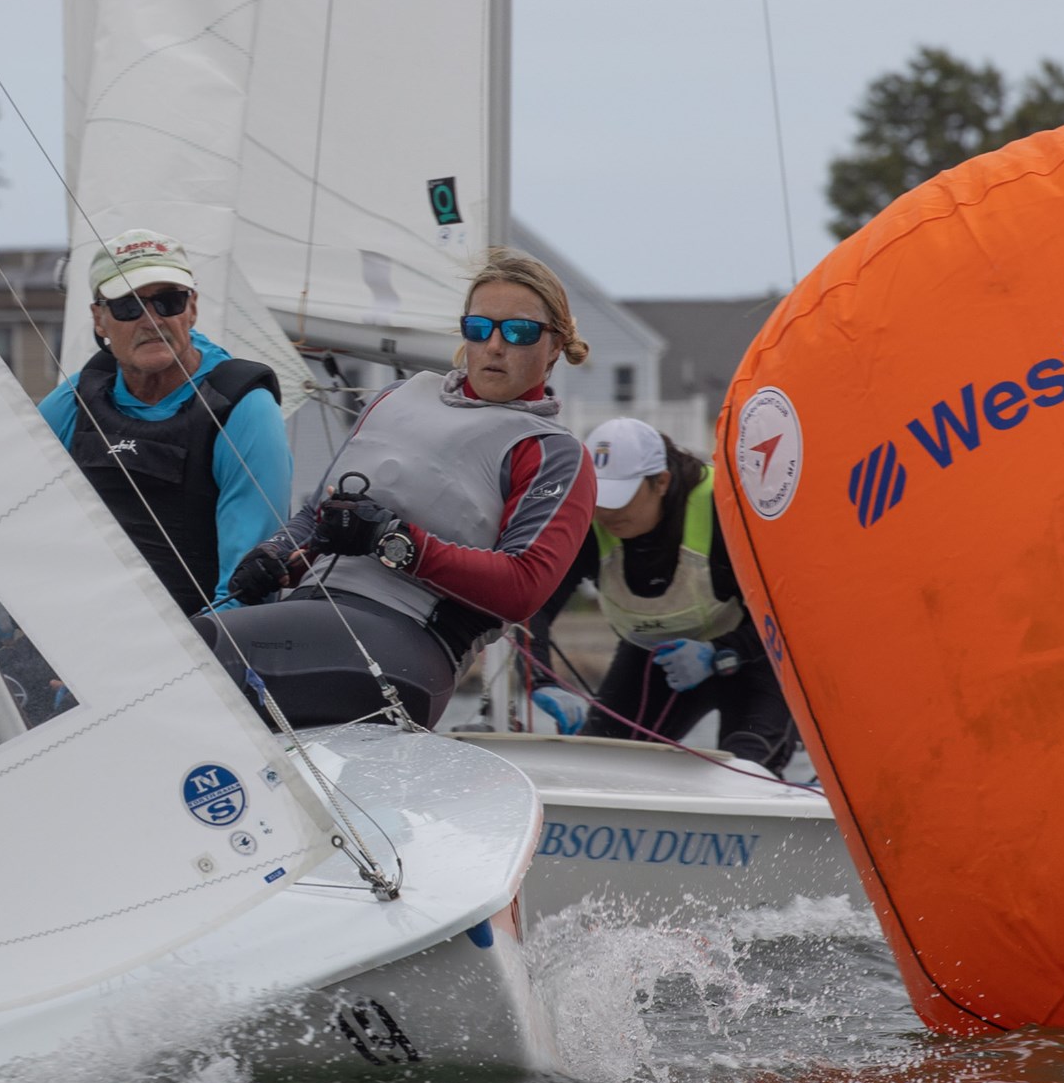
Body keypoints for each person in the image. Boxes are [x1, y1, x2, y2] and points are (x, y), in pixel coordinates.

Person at [203, 247, 596, 729]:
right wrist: (273, 554)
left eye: (519, 332)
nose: (495, 346)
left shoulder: (551, 451)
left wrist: (394, 542)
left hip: (405, 645)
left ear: (555, 345)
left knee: (192, 652)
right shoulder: (395, 397)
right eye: (479, 328)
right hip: (312, 615)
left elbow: (523, 587)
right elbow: (316, 514)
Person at [38, 229, 291, 613]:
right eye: (128, 306)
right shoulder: (75, 401)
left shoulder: (242, 408)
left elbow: (246, 590)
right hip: (85, 629)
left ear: (192, 308)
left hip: (203, 640)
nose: (151, 321)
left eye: (168, 301)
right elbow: (15, 519)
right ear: (99, 319)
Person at [526, 417, 799, 772]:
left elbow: (791, 612)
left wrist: (718, 652)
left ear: (661, 482)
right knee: (597, 766)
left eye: (621, 498)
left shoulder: (727, 508)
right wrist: (541, 680)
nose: (607, 512)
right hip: (655, 660)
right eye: (599, 496)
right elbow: (532, 606)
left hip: (754, 658)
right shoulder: (588, 521)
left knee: (748, 770)